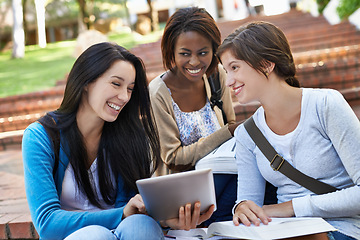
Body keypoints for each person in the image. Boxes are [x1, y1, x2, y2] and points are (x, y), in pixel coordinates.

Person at [22, 42, 214, 240]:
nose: (124, 97)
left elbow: (133, 210)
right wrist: (120, 215)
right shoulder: (40, 137)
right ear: (86, 81)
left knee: (141, 225)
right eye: (116, 83)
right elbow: (47, 223)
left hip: (125, 232)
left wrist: (165, 220)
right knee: (97, 236)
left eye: (130, 89)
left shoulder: (129, 136)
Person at [217, 21, 360, 240]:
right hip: (283, 229)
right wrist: (242, 208)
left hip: (342, 226)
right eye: (226, 71)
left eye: (234, 68)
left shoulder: (325, 105)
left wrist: (290, 207)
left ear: (266, 64)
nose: (228, 81)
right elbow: (250, 203)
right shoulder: (247, 134)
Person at [148, 7, 241, 226]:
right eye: (184, 53)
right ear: (171, 51)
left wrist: (231, 131)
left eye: (202, 52)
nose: (194, 62)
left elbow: (232, 127)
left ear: (214, 50)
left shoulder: (217, 76)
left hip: (223, 177)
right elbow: (173, 159)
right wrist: (226, 133)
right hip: (182, 192)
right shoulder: (158, 92)